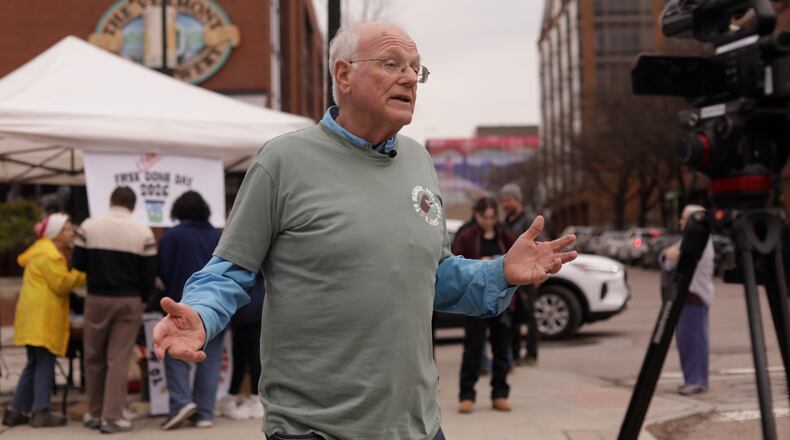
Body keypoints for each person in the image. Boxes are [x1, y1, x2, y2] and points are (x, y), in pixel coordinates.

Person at [153, 21, 577, 440]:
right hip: (315, 428)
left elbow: (431, 277)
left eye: (416, 68)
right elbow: (230, 270)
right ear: (344, 75)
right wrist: (201, 315)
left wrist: (501, 271)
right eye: (393, 64)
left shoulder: (419, 161)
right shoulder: (282, 162)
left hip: (419, 425)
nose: (410, 77)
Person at [72, 187, 156, 434]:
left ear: (110, 201)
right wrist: (141, 299)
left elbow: (77, 263)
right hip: (128, 299)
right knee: (118, 358)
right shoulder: (143, 231)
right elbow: (149, 276)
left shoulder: (90, 225)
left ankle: (94, 413)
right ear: (133, 205)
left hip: (96, 297)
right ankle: (112, 415)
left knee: (93, 357)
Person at [2, 213, 85, 428]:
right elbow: (62, 284)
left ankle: (16, 410)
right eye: (67, 229)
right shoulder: (50, 255)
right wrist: (83, 272)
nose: (71, 233)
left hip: (33, 319)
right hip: (42, 320)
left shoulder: (40, 251)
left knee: (34, 364)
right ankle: (41, 411)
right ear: (55, 234)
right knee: (44, 365)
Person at [156, 191, 224, 430]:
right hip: (216, 308)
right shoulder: (218, 236)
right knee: (210, 360)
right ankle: (205, 413)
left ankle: (181, 404)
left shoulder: (172, 236)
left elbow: (162, 270)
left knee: (176, 355)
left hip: (179, 304)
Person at [452, 197, 515, 414]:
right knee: (473, 348)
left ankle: (500, 394)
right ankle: (466, 395)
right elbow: (456, 264)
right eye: (484, 217)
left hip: (501, 299)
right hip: (475, 301)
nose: (489, 221)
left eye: (492, 217)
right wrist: (481, 262)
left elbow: (515, 260)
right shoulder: (467, 235)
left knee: (501, 347)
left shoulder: (504, 234)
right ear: (476, 215)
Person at [660, 205, 714, 395]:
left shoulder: (698, 240)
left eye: (684, 218)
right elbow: (667, 258)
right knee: (686, 341)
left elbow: (671, 259)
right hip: (688, 296)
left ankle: (696, 380)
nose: (680, 222)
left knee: (694, 341)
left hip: (694, 296)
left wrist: (670, 255)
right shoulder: (690, 239)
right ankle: (693, 378)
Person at [500, 183, 540, 366]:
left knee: (529, 315)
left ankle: (531, 354)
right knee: (513, 316)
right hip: (511, 275)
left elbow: (541, 247)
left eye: (507, 200)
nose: (504, 204)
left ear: (517, 200)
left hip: (529, 275)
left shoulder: (529, 220)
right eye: (502, 201)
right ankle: (515, 355)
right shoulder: (505, 223)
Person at [218, 274, 265, 420]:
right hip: (247, 310)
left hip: (250, 309)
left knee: (250, 356)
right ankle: (236, 398)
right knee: (243, 356)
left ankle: (254, 399)